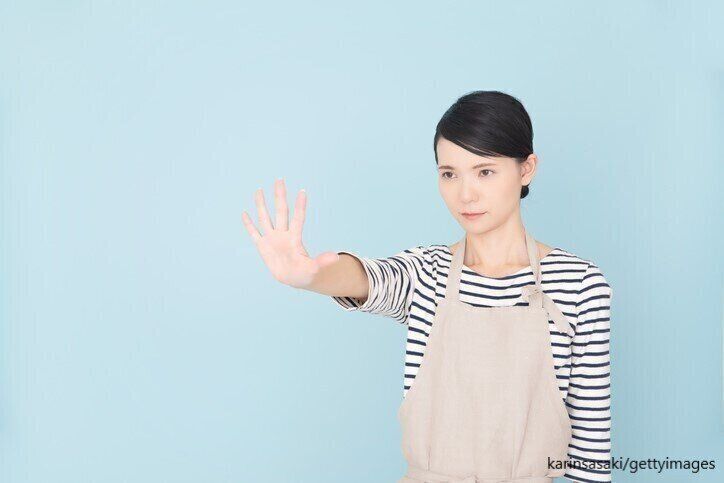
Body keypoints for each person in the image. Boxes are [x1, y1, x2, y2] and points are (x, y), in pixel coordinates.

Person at [242, 91, 612, 483]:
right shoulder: (426, 273)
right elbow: (370, 278)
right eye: (449, 174)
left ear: (526, 169)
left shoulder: (580, 285)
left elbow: (590, 456)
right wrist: (310, 277)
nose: (465, 194)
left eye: (485, 171)